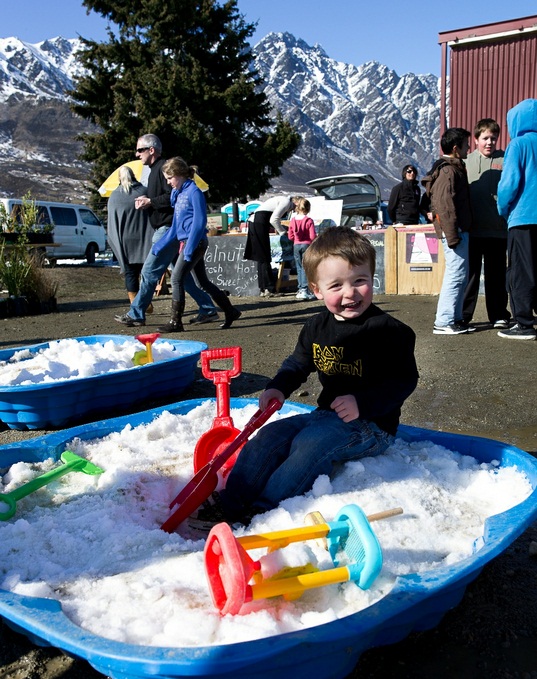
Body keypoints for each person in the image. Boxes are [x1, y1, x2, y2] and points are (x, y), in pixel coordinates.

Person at [189, 226, 418, 531]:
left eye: (359, 281)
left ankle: (262, 510)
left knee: (311, 444)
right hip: (325, 416)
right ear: (317, 290)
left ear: (371, 278)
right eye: (336, 285)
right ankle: (233, 500)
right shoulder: (315, 327)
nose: (350, 292)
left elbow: (403, 380)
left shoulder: (390, 331)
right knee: (271, 437)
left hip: (372, 426)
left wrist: (362, 403)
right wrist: (278, 387)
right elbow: (298, 363)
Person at [114, 134, 219, 328]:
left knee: (149, 271)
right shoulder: (156, 171)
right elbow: (170, 196)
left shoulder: (164, 170)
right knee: (182, 277)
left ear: (151, 150)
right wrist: (149, 200)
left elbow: (174, 198)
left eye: (140, 150)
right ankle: (208, 308)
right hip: (171, 231)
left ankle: (137, 313)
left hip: (168, 229)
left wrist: (150, 201)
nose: (137, 154)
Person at [155, 156, 241, 332]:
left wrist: (189, 248)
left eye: (170, 178)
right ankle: (230, 311)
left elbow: (200, 222)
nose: (168, 182)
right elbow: (176, 226)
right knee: (203, 283)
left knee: (177, 278)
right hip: (189, 243)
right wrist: (160, 245)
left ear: (179, 174)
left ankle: (175, 322)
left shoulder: (194, 192)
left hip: (195, 243)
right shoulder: (179, 194)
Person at [422, 127, 474, 335]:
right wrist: (452, 235)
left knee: (460, 274)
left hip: (458, 230)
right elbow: (444, 206)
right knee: (455, 275)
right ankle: (443, 321)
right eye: (465, 145)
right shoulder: (448, 171)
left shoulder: (451, 168)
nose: (468, 148)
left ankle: (455, 317)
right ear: (455, 148)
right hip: (455, 231)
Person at [462, 119, 511, 329]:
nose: (489, 142)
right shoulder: (465, 161)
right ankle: (463, 315)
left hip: (498, 231)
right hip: (472, 231)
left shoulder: (505, 159)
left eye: (493, 138)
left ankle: (499, 314)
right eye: (485, 138)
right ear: (475, 140)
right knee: (470, 276)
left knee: (496, 276)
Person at [496, 99, 537, 340]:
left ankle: (523, 323)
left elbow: (509, 184)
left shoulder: (518, 144)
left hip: (522, 219)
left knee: (521, 271)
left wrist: (504, 210)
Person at [107, 165, 154, 307]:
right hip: (145, 239)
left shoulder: (115, 196)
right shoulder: (144, 191)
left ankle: (136, 304)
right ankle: (145, 301)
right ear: (134, 175)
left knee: (130, 274)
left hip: (125, 242)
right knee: (146, 273)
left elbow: (111, 224)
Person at [245, 194, 302, 297]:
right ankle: (269, 289)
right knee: (264, 257)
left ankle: (264, 288)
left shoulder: (283, 200)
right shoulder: (286, 202)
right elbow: (273, 220)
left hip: (256, 222)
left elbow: (272, 219)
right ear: (296, 202)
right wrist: (283, 232)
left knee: (261, 258)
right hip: (259, 223)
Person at [287, 197, 317, 300]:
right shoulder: (309, 220)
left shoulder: (293, 220)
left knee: (299, 267)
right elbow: (312, 236)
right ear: (308, 208)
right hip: (307, 245)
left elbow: (290, 236)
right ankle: (305, 290)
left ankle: (300, 289)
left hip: (296, 245)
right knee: (306, 267)